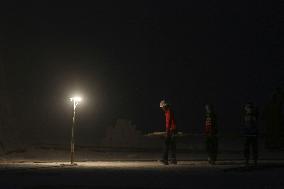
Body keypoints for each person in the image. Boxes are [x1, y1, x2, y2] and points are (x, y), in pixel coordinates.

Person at [159, 100, 177, 165]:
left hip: (171, 130)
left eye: (162, 107)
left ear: (164, 106)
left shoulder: (168, 112)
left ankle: (165, 160)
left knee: (166, 144)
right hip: (173, 129)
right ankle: (173, 160)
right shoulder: (169, 111)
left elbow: (168, 123)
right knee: (172, 145)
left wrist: (167, 132)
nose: (162, 109)